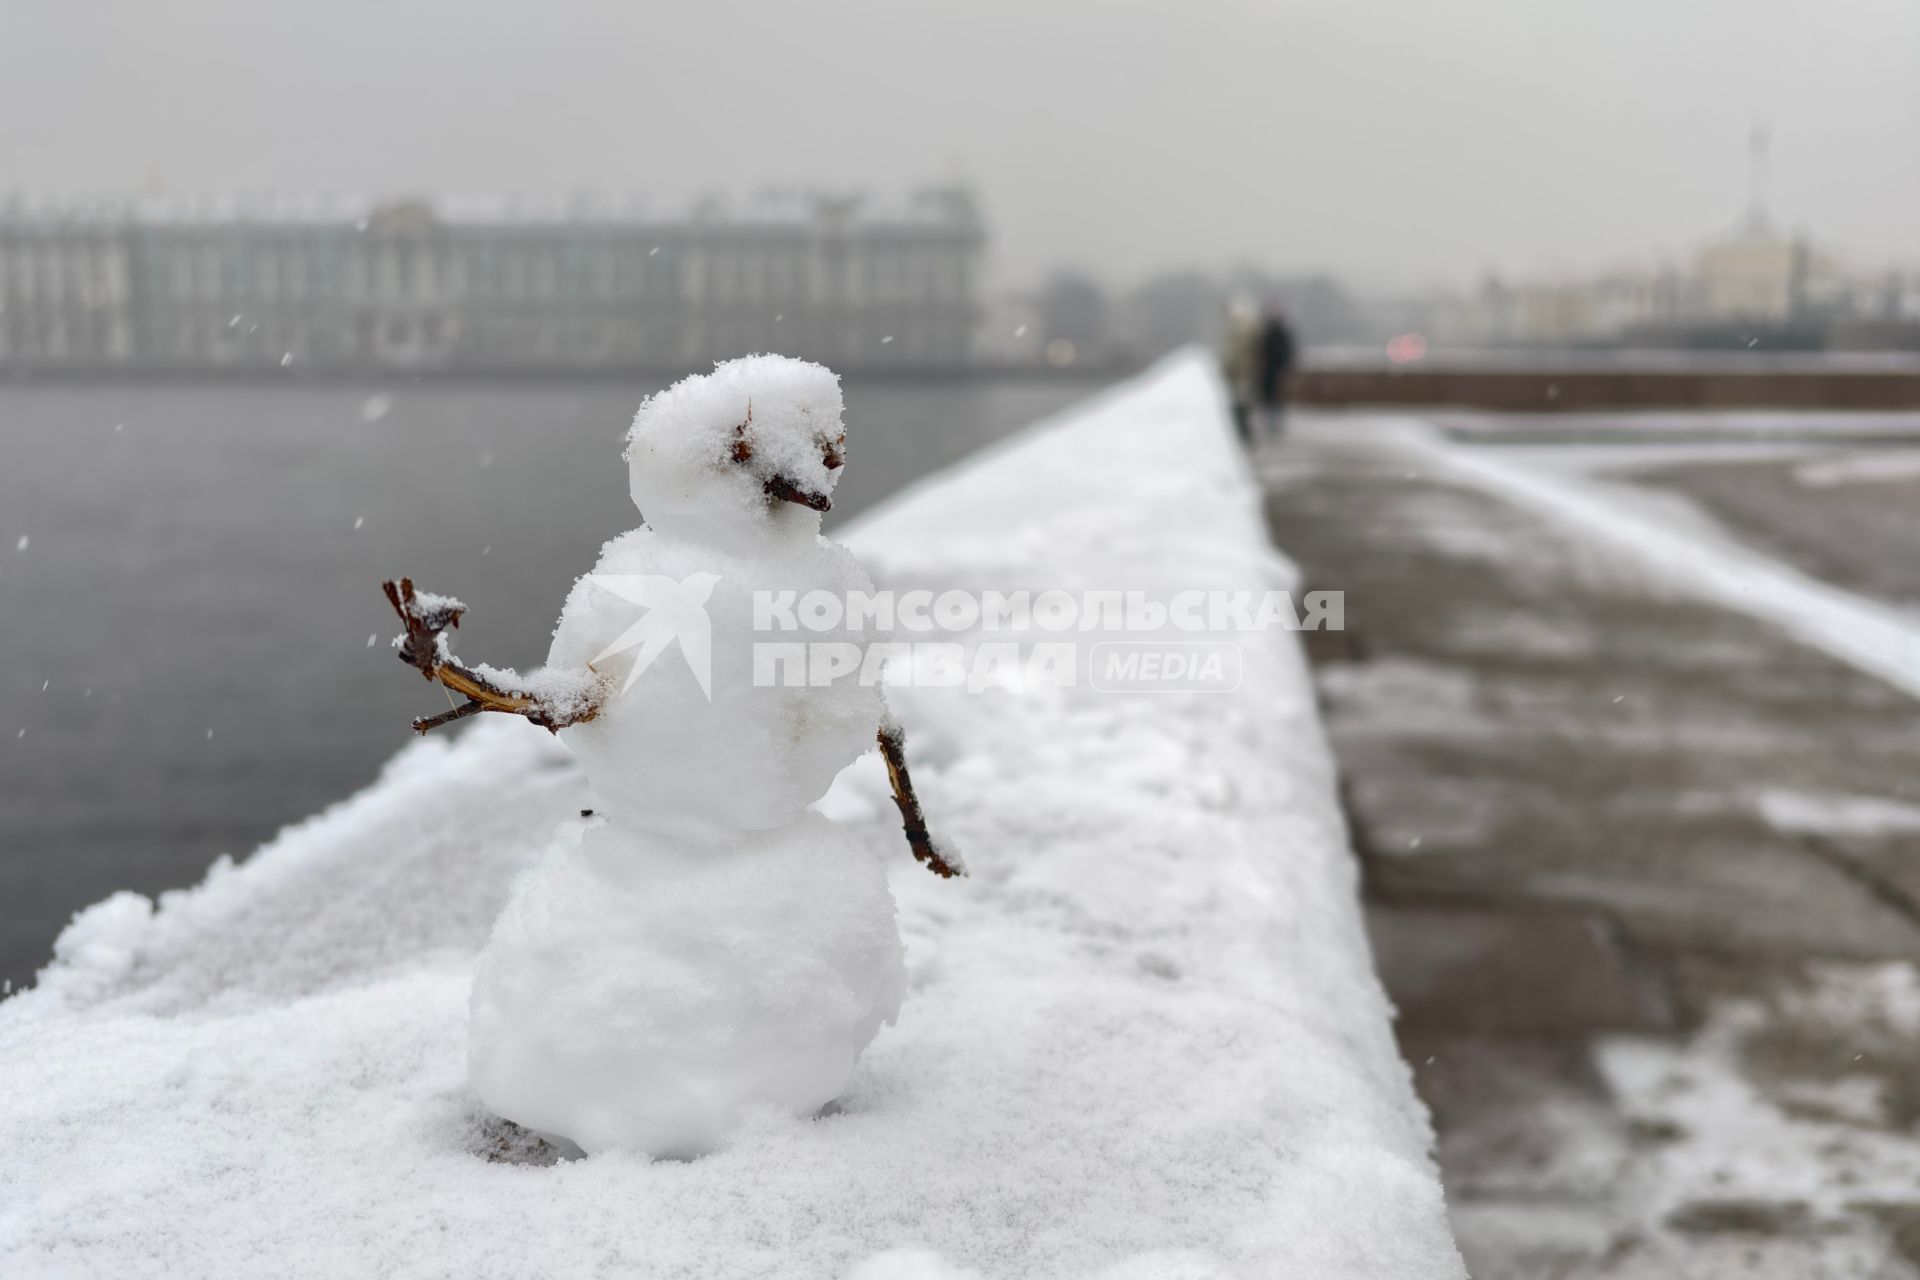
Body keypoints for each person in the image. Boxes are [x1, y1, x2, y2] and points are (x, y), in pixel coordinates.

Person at [1217, 296, 1260, 446]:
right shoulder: (1248, 325)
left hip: (1241, 372)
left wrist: (1227, 369)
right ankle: (1244, 433)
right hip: (1245, 371)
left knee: (1240, 403)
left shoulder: (1238, 326)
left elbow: (1235, 353)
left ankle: (1243, 434)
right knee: (1243, 403)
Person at [1254, 307, 1297, 442]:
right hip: (1271, 371)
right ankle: (1272, 424)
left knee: (1274, 398)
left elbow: (1285, 352)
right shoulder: (1274, 332)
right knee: (1272, 398)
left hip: (1274, 371)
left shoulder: (1276, 332)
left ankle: (1274, 424)